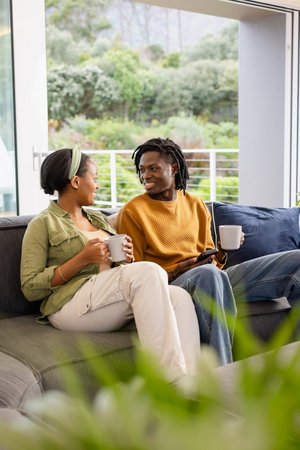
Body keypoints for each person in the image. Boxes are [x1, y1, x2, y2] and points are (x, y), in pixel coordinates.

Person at [20, 146, 201, 382]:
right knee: (149, 272)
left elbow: (117, 275)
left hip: (101, 303)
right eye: (94, 178)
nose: (97, 185)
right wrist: (82, 259)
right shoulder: (43, 223)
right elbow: (30, 287)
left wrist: (126, 260)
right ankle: (168, 382)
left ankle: (194, 385)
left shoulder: (96, 218)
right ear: (75, 181)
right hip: (68, 307)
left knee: (179, 297)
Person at [115, 137, 300, 365]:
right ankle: (221, 378)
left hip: (211, 279)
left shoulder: (195, 204)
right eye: (142, 170)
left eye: (153, 168)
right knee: (209, 275)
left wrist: (220, 251)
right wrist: (174, 273)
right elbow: (135, 276)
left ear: (173, 168)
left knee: (296, 261)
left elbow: (213, 262)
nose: (145, 176)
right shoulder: (133, 211)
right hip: (172, 286)